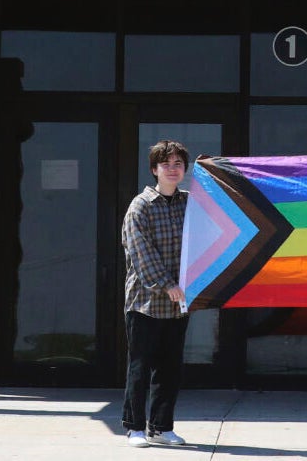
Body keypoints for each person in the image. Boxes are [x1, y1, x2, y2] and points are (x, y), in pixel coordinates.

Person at [120, 139, 192, 447]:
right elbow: (141, 254)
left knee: (170, 367)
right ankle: (134, 427)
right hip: (146, 302)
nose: (173, 169)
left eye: (178, 164)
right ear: (154, 169)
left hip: (179, 303)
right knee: (140, 365)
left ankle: (162, 427)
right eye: (166, 164)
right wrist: (167, 284)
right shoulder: (140, 207)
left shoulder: (189, 202)